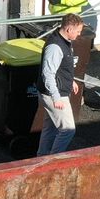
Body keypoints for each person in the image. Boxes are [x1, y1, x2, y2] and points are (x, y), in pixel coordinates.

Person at [37, 14, 86, 156]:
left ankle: (42, 157)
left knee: (50, 128)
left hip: (54, 92)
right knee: (68, 129)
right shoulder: (55, 47)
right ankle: (55, 161)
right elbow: (48, 73)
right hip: (55, 94)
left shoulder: (63, 41)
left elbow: (61, 67)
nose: (79, 34)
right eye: (78, 31)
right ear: (69, 29)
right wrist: (56, 97)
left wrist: (71, 80)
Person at [47, 0, 96, 86]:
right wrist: (53, 1)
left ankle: (69, 81)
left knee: (66, 51)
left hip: (69, 19)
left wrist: (61, 1)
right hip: (57, 16)